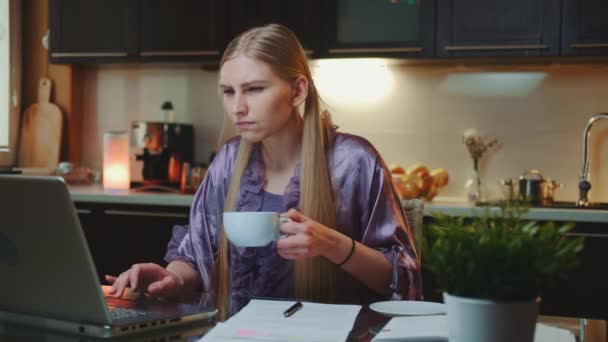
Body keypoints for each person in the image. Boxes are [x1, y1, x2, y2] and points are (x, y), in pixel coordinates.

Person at [106, 23, 422, 321]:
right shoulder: (229, 160)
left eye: (254, 89)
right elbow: (195, 254)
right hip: (238, 332)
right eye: (228, 92)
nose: (237, 107)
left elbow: (402, 279)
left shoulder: (354, 162)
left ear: (298, 91)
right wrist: (172, 277)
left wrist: (332, 245)